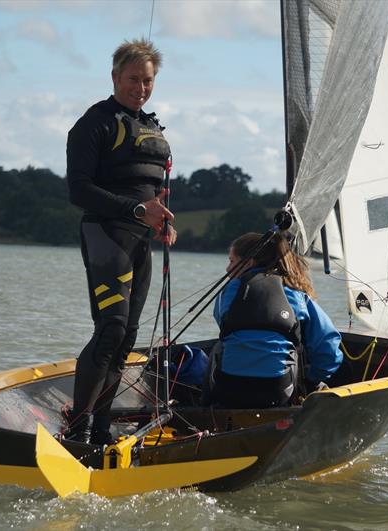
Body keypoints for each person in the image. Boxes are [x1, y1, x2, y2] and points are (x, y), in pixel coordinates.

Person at [63, 38, 176, 444]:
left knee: (127, 336)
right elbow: (78, 191)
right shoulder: (95, 122)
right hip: (105, 235)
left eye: (147, 82)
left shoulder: (151, 126)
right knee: (110, 329)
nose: (140, 89)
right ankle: (76, 427)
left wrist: (161, 219)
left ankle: (100, 426)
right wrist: (134, 212)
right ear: (114, 77)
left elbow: (150, 192)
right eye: (133, 80)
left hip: (141, 242)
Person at [205, 232, 344, 408]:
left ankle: (207, 406)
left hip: (229, 390)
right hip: (278, 391)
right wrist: (313, 379)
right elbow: (328, 346)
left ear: (248, 263)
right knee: (297, 348)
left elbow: (225, 327)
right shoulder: (296, 294)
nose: (227, 269)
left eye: (232, 261)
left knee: (220, 345)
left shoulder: (226, 293)